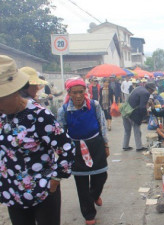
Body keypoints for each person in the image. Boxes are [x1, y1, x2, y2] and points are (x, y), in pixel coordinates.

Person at [0, 55, 75, 225]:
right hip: (12, 192)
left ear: (13, 92)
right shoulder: (2, 116)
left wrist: (55, 179)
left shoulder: (39, 116)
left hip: (43, 192)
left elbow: (67, 147)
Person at [57, 77, 109, 225]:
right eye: (74, 93)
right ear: (69, 93)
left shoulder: (94, 105)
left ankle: (94, 195)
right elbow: (60, 132)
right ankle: (89, 214)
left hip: (96, 145)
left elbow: (102, 124)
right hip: (76, 148)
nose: (78, 96)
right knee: (81, 183)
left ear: (85, 91)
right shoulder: (64, 110)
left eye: (81, 92)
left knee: (101, 176)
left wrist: (106, 145)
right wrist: (63, 153)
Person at [122, 82, 156, 151]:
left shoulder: (138, 88)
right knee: (137, 130)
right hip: (133, 113)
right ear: (149, 89)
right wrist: (145, 116)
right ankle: (139, 147)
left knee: (127, 131)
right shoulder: (146, 93)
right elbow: (142, 107)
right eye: (152, 90)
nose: (152, 92)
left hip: (125, 110)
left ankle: (125, 146)